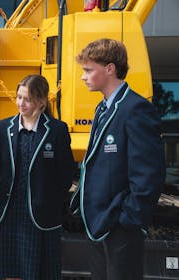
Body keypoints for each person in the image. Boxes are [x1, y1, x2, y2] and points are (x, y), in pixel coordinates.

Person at [70, 38, 165, 280]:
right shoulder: (102, 109)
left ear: (110, 69)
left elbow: (149, 174)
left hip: (119, 227)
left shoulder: (135, 109)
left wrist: (127, 219)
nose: (83, 77)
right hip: (100, 224)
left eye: (89, 70)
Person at [0, 74, 74, 279]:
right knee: (11, 272)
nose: (21, 103)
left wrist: (48, 200)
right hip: (10, 213)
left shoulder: (57, 130)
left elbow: (66, 173)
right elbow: (0, 167)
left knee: (42, 273)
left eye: (27, 99)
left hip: (42, 215)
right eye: (19, 97)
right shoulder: (3, 128)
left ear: (42, 101)